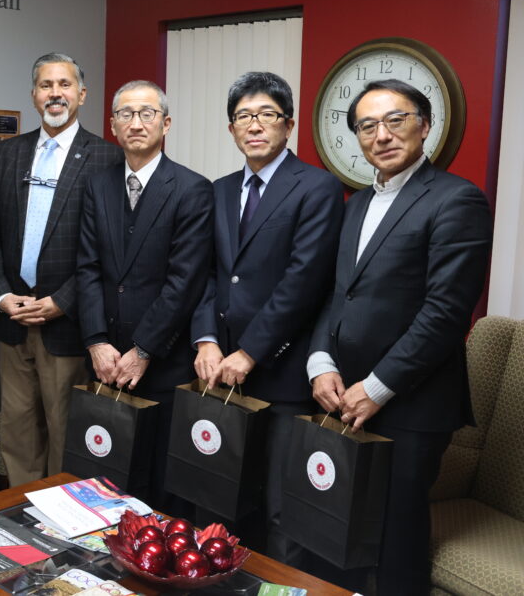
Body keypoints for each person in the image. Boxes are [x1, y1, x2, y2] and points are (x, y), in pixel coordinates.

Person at [307, 79, 492, 595]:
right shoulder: (355, 205)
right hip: (340, 396)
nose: (381, 135)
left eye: (396, 120)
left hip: (411, 405)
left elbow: (446, 313)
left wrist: (378, 386)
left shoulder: (458, 199)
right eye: (367, 125)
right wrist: (320, 361)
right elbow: (335, 296)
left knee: (394, 540)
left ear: (425, 125)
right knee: (334, 525)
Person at [190, 72, 344, 561]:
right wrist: (207, 340)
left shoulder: (318, 188)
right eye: (244, 116)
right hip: (220, 372)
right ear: (231, 128)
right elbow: (207, 274)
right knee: (219, 497)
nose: (254, 125)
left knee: (280, 509)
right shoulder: (217, 190)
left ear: (289, 125)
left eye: (267, 115)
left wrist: (250, 352)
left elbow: (303, 283)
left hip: (279, 373)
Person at [0, 52, 123, 486]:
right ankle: (18, 513)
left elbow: (109, 250)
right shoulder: (7, 154)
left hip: (68, 323)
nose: (54, 93)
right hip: (13, 320)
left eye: (64, 85)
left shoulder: (106, 159)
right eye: (45, 85)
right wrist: (3, 297)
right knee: (18, 428)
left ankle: (63, 526)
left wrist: (63, 301)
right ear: (33, 95)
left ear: (82, 94)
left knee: (66, 430)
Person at [77, 80, 213, 510]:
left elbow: (184, 281)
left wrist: (143, 350)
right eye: (126, 114)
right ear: (113, 125)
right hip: (105, 359)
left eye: (147, 113)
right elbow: (88, 268)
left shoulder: (192, 189)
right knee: (102, 475)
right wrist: (96, 341)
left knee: (156, 483)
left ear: (166, 123)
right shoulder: (97, 186)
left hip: (160, 361)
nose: (136, 123)